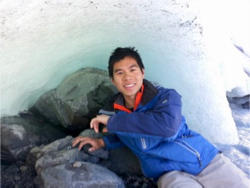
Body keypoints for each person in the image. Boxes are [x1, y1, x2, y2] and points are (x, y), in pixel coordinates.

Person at [72, 47, 249, 187]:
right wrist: (103, 142)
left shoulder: (166, 97)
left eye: (132, 70)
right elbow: (126, 135)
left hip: (203, 160)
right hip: (168, 174)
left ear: (142, 72)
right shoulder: (113, 112)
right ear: (113, 80)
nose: (127, 77)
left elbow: (167, 129)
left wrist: (113, 122)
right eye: (119, 73)